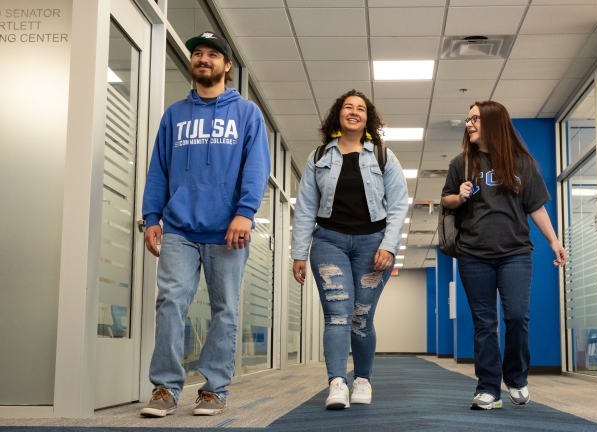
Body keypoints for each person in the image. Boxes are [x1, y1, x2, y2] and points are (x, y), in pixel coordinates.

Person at [139, 31, 270, 417]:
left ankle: (214, 390)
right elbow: (158, 170)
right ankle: (165, 388)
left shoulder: (247, 113)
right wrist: (152, 217)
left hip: (227, 230)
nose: (204, 59)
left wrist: (245, 213)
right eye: (198, 53)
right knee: (170, 303)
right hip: (179, 227)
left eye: (213, 54)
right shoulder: (175, 115)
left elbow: (257, 167)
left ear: (227, 66)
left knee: (224, 309)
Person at [441, 101, 566, 410]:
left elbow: (535, 206)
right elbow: (446, 199)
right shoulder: (461, 163)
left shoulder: (521, 163)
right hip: (473, 254)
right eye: (468, 119)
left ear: (494, 123)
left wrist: (554, 241)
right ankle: (487, 388)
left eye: (475, 119)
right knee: (484, 323)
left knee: (517, 316)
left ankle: (517, 377)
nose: (468, 124)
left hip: (515, 253)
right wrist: (461, 196)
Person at [291, 90, 409, 410]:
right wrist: (299, 253)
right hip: (329, 241)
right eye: (347, 107)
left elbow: (398, 207)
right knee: (337, 315)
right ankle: (337, 383)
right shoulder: (319, 156)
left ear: (367, 118)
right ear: (338, 115)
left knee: (361, 316)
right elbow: (304, 209)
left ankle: (363, 380)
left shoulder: (384, 156)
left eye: (360, 108)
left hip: (373, 245)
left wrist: (389, 245)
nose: (354, 112)